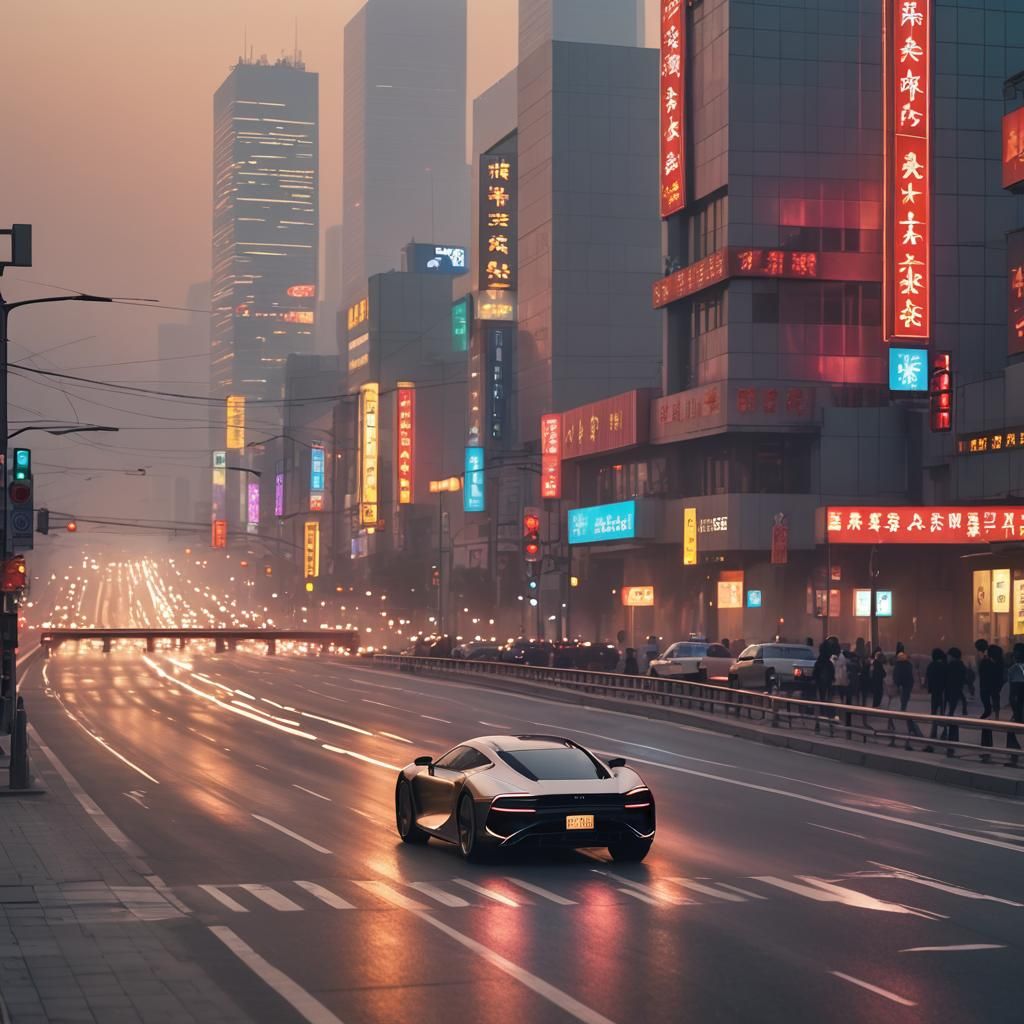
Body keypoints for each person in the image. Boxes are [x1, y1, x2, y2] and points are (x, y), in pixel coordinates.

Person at [978, 643, 1004, 756]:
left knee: (987, 711)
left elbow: (982, 675)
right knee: (988, 711)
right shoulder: (996, 664)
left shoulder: (988, 663)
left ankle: (986, 742)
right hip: (990, 689)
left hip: (988, 689)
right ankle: (986, 741)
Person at [945, 647, 969, 745]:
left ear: (952, 656)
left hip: (951, 691)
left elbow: (947, 679)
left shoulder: (950, 666)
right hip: (959, 691)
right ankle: (954, 738)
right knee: (953, 715)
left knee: (951, 714)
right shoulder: (962, 666)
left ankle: (951, 738)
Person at [925, 648, 948, 747]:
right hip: (943, 691)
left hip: (934, 691)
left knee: (934, 712)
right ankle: (944, 732)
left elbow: (928, 678)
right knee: (942, 712)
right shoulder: (944, 666)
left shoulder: (931, 665)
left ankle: (933, 731)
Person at [1007, 642, 1024, 755]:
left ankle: (1012, 745)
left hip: (1018, 698)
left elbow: (1012, 690)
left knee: (1013, 724)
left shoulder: (1013, 669)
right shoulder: (1013, 668)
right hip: (1018, 698)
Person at [811, 642, 835, 714]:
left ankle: (821, 712)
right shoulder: (829, 663)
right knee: (828, 698)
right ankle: (826, 712)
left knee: (820, 698)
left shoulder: (819, 661)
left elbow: (815, 672)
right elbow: (832, 673)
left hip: (820, 682)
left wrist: (814, 678)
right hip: (827, 682)